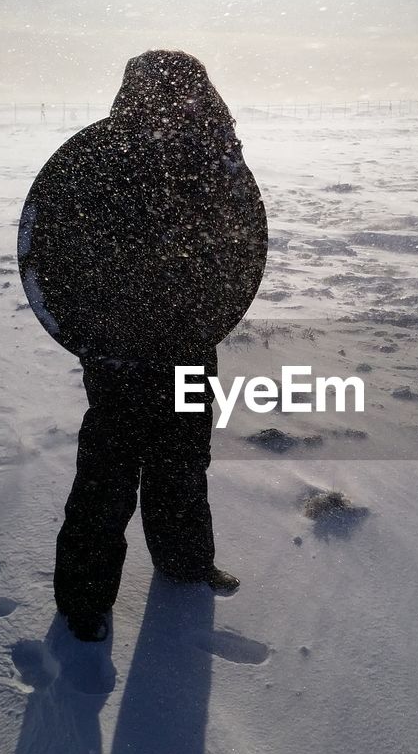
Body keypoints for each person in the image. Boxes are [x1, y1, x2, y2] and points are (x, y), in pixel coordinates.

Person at [30, 50, 266, 641]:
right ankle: (84, 601)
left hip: (186, 342)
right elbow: (55, 246)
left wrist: (204, 312)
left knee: (182, 461)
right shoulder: (100, 158)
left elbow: (237, 245)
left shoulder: (213, 159)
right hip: (119, 350)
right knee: (108, 474)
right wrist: (93, 327)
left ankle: (185, 563)